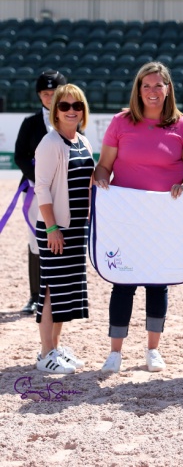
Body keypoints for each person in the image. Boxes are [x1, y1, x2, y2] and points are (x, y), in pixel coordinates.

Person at [94, 62, 183, 374]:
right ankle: (115, 352)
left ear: (168, 89)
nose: (152, 92)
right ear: (137, 90)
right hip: (126, 219)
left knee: (157, 283)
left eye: (158, 85)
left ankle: (153, 349)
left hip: (165, 220)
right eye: (146, 86)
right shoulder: (120, 122)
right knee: (123, 282)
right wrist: (100, 179)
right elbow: (104, 167)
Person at [34, 84, 94, 374]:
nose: (72, 111)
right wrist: (52, 228)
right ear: (55, 110)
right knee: (50, 291)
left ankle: (55, 348)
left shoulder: (83, 141)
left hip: (75, 229)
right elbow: (42, 189)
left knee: (64, 292)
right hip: (55, 229)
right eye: (65, 106)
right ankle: (46, 353)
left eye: (77, 105)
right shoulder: (50, 143)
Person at [14, 70, 67, 314]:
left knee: (62, 238)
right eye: (45, 94)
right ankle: (36, 296)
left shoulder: (71, 119)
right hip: (35, 191)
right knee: (36, 241)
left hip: (63, 190)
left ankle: (57, 292)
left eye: (54, 93)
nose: (49, 97)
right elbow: (20, 156)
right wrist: (41, 181)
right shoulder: (30, 124)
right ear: (39, 96)